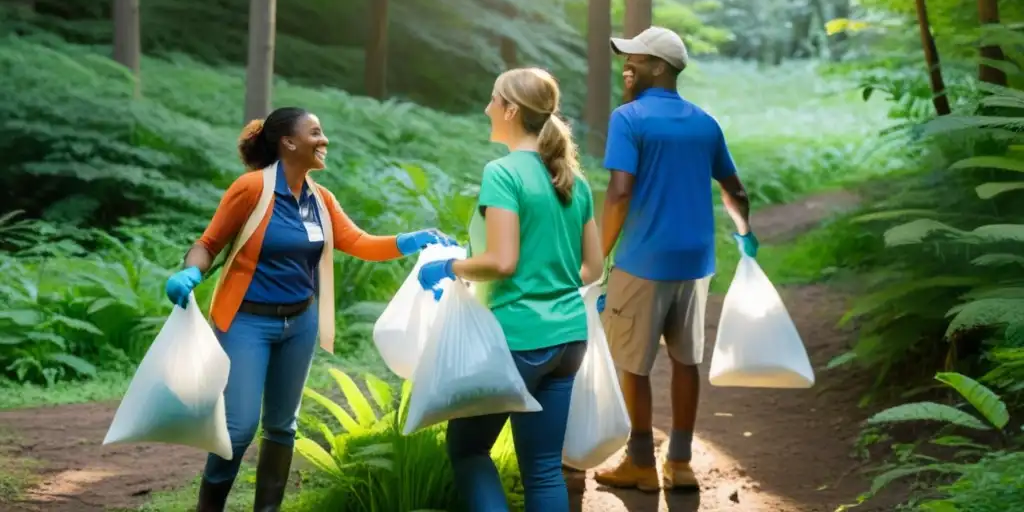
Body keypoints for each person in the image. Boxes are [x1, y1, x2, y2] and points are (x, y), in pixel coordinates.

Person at [163, 107, 455, 512]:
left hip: (299, 323)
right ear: (288, 142)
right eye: (316, 132)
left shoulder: (321, 199)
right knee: (239, 426)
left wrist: (411, 240)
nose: (324, 140)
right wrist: (191, 273)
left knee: (282, 427)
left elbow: (358, 242)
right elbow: (209, 243)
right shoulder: (252, 189)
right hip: (247, 321)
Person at [416, 68, 604, 512]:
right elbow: (593, 267)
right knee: (541, 470)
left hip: (519, 339)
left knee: (467, 450)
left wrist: (448, 266)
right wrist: (550, 285)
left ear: (512, 110)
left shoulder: (502, 173)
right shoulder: (572, 180)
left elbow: (501, 262)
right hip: (569, 340)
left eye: (493, 100)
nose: (487, 108)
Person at [593, 26, 758, 493]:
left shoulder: (629, 119)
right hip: (695, 263)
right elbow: (736, 192)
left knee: (633, 362)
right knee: (687, 361)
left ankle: (640, 461)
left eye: (637, 59)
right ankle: (681, 463)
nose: (627, 65)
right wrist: (746, 237)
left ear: (659, 67)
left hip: (643, 260)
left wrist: (599, 254)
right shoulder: (706, 122)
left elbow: (620, 191)